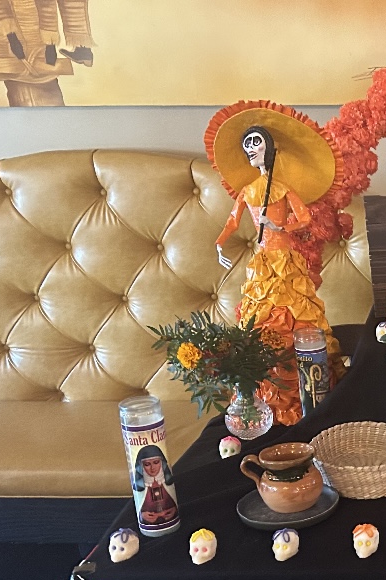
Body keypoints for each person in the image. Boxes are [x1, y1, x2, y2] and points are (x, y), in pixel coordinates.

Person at [208, 101, 348, 426]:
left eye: (256, 142)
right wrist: (218, 244)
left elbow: (305, 217)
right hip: (261, 266)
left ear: (269, 148)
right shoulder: (247, 191)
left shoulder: (282, 189)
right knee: (260, 321)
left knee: (297, 318)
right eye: (247, 145)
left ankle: (306, 394)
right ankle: (263, 396)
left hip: (286, 262)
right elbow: (232, 222)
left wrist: (280, 227)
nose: (252, 149)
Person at [131, 445, 178, 527]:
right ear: (141, 466)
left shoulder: (166, 482)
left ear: (161, 462)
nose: (152, 468)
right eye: (147, 464)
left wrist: (174, 510)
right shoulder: (140, 486)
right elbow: (137, 508)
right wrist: (142, 515)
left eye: (156, 462)